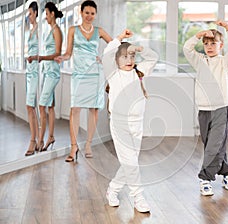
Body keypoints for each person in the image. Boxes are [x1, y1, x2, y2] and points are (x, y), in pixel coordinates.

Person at [102, 29, 158, 213]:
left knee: (130, 162)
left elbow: (153, 57)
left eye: (131, 56)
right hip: (120, 124)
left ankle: (113, 189)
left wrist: (139, 48)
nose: (129, 60)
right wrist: (119, 39)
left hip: (137, 124)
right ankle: (138, 197)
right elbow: (107, 54)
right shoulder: (113, 74)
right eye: (124, 57)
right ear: (116, 60)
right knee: (131, 163)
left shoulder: (139, 72)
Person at [183, 20, 228, 196]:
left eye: (213, 43)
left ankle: (205, 178)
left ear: (220, 45)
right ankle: (226, 173)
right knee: (212, 143)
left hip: (220, 108)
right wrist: (198, 35)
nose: (209, 46)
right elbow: (187, 48)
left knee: (215, 143)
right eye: (206, 44)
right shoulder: (199, 61)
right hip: (203, 109)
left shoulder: (225, 62)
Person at [55, 0, 112, 162]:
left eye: (92, 13)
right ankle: (74, 147)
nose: (89, 16)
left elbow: (114, 44)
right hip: (79, 75)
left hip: (95, 74)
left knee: (93, 110)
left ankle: (88, 144)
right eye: (86, 12)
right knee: (75, 109)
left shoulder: (99, 31)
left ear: (95, 15)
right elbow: (68, 53)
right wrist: (62, 57)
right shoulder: (73, 30)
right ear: (81, 12)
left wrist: (104, 59)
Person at [36, 2, 63, 152]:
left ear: (52, 14)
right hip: (47, 73)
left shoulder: (57, 31)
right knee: (50, 107)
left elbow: (58, 53)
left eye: (46, 14)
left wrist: (42, 57)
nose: (45, 17)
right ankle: (51, 137)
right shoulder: (50, 30)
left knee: (42, 106)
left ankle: (40, 141)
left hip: (52, 73)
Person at [25, 1, 39, 156]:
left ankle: (34, 140)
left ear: (36, 12)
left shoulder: (40, 30)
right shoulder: (31, 29)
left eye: (30, 13)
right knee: (30, 107)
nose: (29, 17)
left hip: (37, 72)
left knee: (31, 106)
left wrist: (34, 57)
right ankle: (34, 138)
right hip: (30, 71)